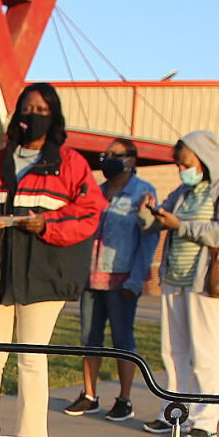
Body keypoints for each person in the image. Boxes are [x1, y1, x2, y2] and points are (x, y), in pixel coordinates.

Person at [0, 83, 105, 437]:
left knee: (31, 360)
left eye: (42, 110)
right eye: (28, 108)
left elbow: (90, 213)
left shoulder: (71, 164)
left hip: (43, 276)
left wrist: (47, 224)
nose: (34, 116)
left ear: (54, 116)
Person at [136, 131, 219, 437]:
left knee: (204, 350)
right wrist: (148, 211)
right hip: (175, 277)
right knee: (173, 350)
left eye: (184, 162)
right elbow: (153, 225)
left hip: (205, 282)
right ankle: (173, 412)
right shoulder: (185, 190)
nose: (181, 169)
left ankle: (205, 419)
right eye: (178, 164)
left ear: (202, 158)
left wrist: (179, 225)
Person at [62, 138, 158, 422]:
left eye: (115, 155)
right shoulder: (97, 191)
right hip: (91, 278)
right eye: (106, 155)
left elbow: (148, 238)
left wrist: (136, 280)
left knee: (122, 340)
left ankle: (124, 399)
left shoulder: (143, 191)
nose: (108, 160)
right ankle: (89, 396)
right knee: (89, 339)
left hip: (122, 279)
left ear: (131, 160)